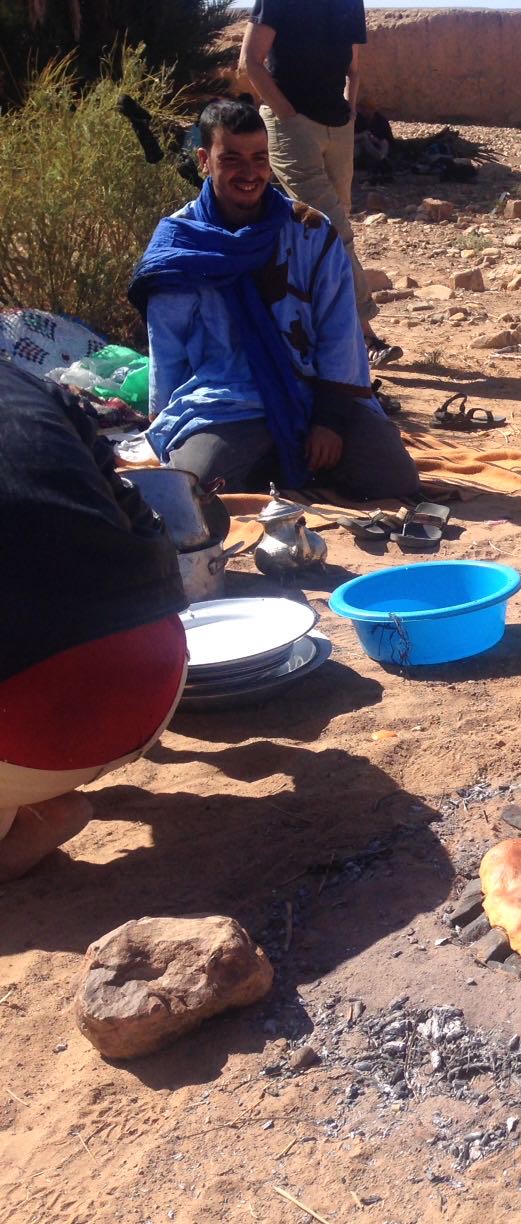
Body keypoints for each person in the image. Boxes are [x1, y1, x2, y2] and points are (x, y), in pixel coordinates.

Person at [132, 100, 421, 500]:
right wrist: (166, 432)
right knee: (192, 490)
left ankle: (278, 462)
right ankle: (265, 463)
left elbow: (340, 334)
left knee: (396, 480)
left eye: (260, 159)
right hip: (225, 402)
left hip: (313, 395)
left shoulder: (311, 231)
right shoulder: (180, 245)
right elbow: (167, 351)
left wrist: (331, 421)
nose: (249, 173)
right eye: (231, 159)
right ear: (204, 160)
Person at [0, 362, 188, 882]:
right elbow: (138, 513)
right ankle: (39, 797)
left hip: (28, 735)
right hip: (159, 681)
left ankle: (24, 825)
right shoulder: (26, 384)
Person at [240, 0, 401, 365]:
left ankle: (307, 324)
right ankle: (365, 336)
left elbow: (354, 68)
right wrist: (289, 117)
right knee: (335, 230)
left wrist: (350, 111)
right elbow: (250, 61)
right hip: (292, 125)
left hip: (337, 126)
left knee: (321, 229)